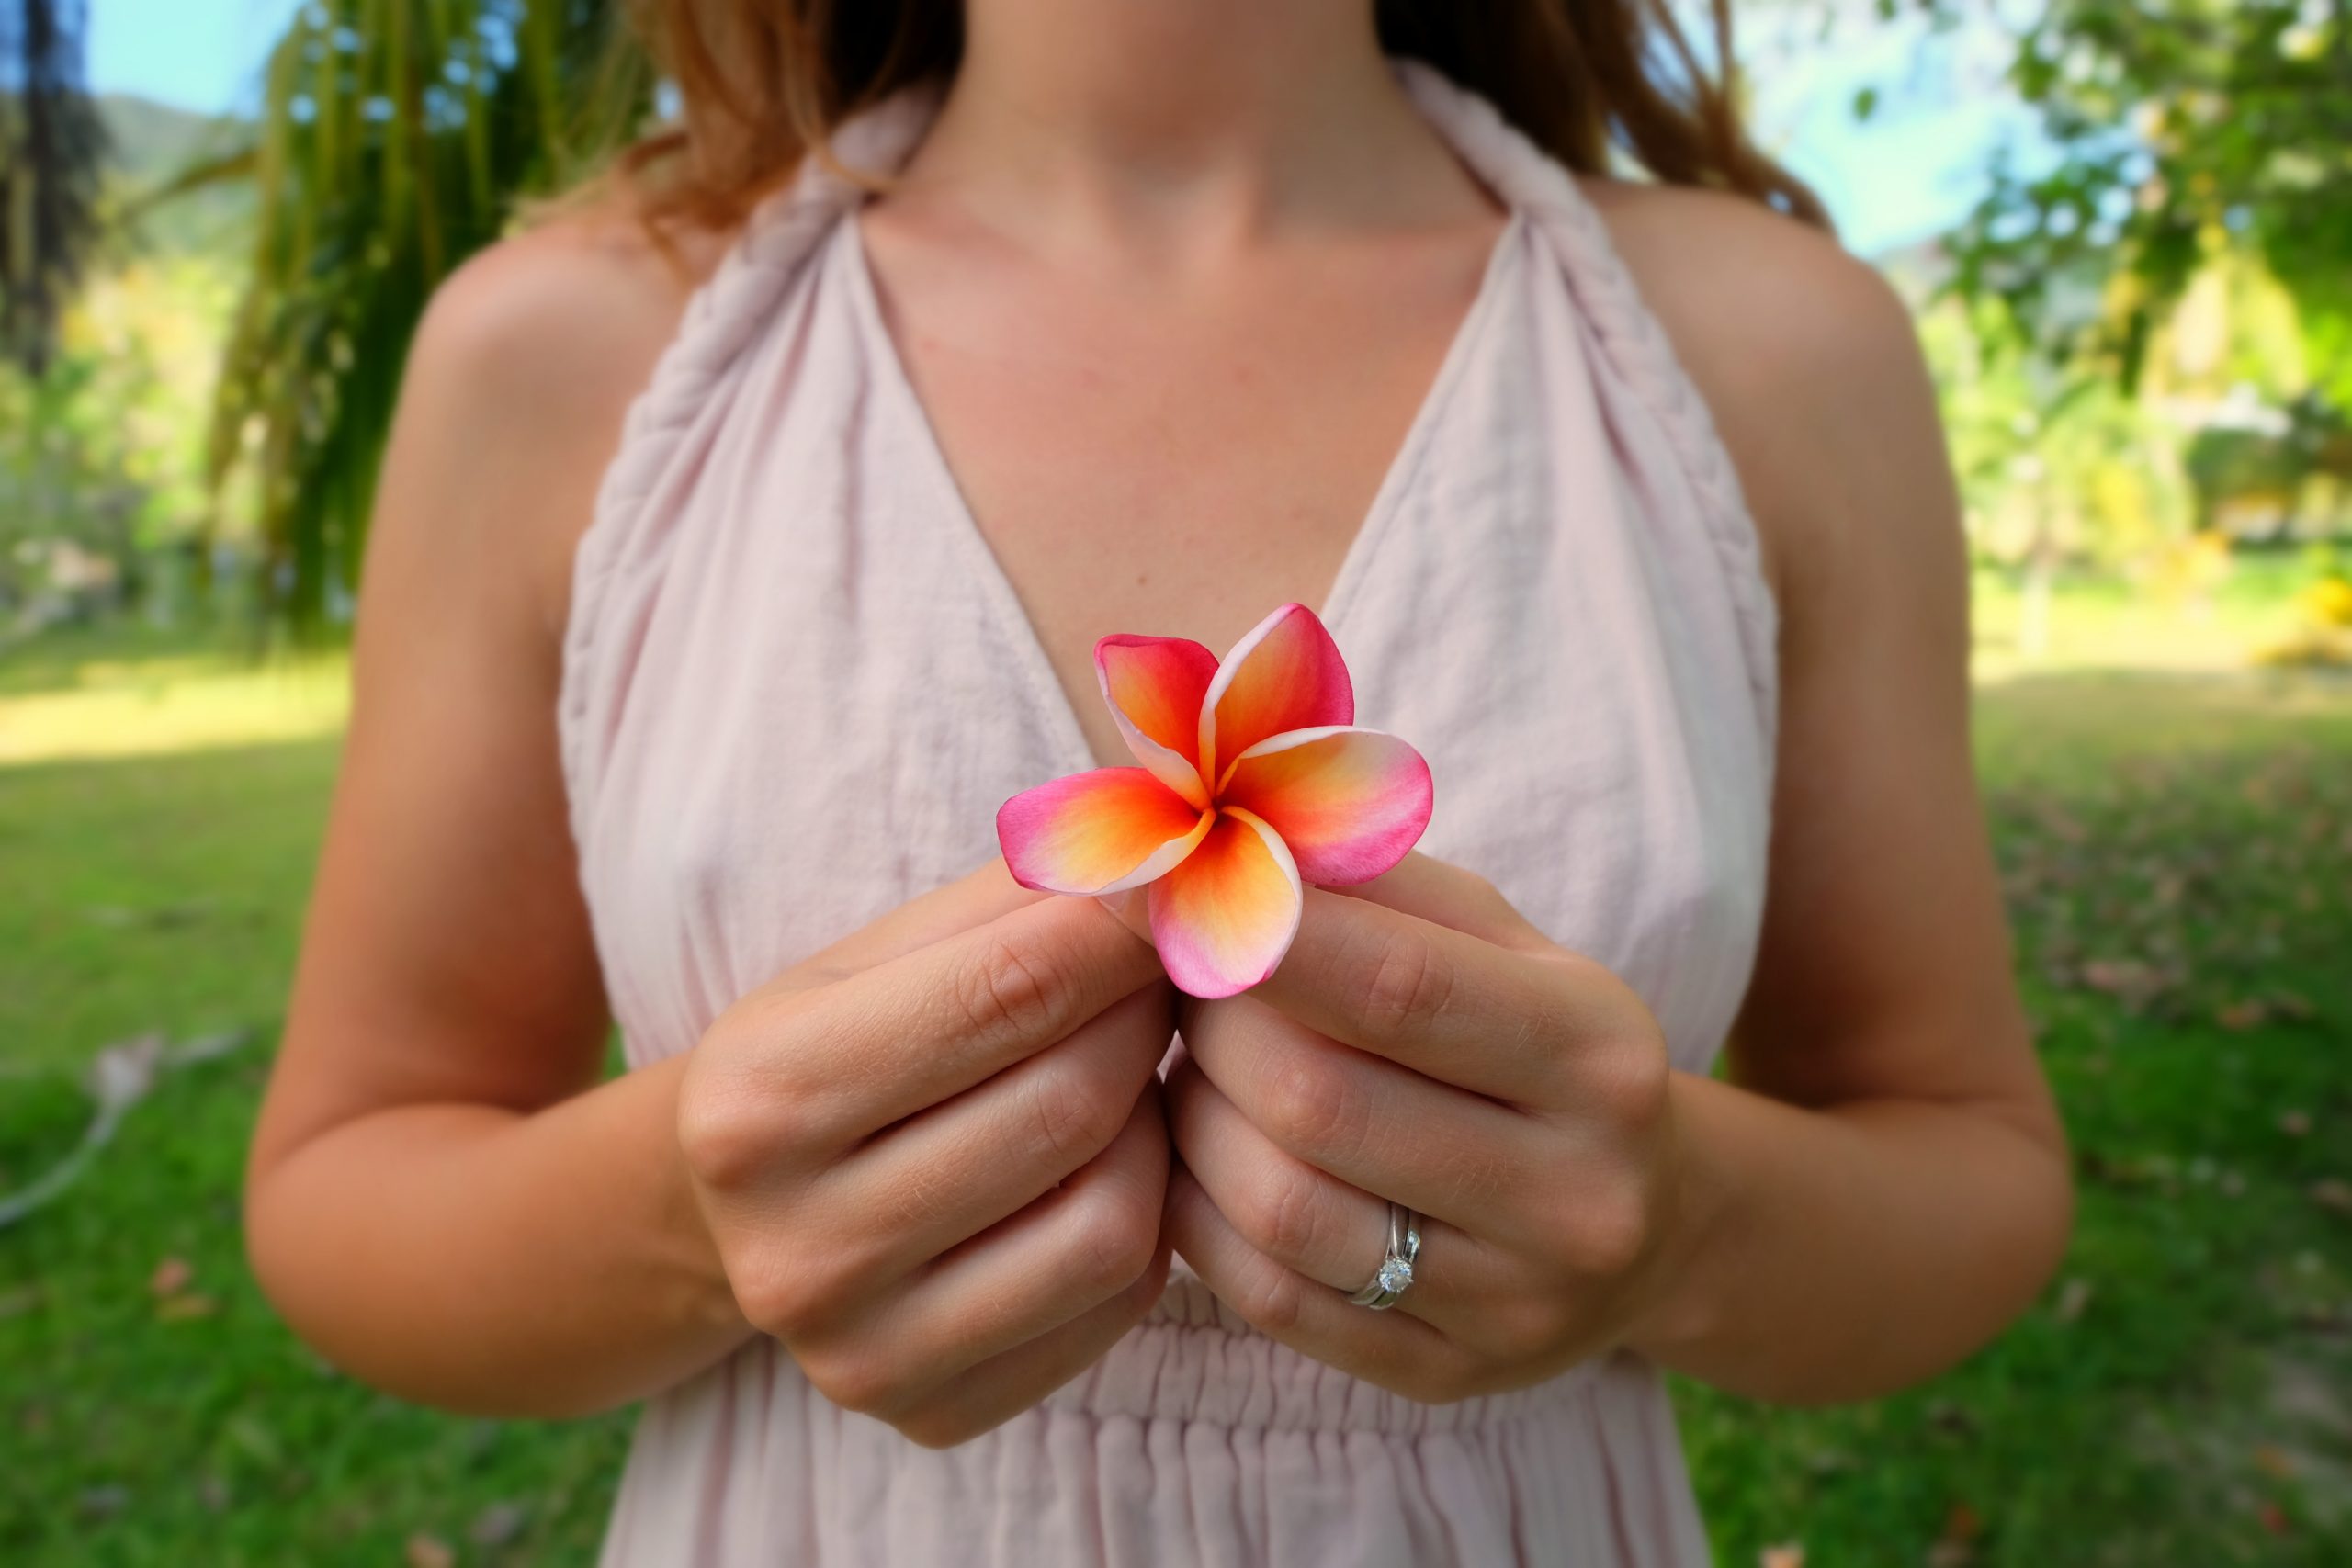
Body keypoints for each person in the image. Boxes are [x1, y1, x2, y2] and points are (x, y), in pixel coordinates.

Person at [244, 2, 2075, 1562]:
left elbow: (1963, 1168)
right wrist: (692, 1208)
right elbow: (350, 1192)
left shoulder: (1774, 352)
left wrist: (1675, 1219)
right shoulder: (568, 350)